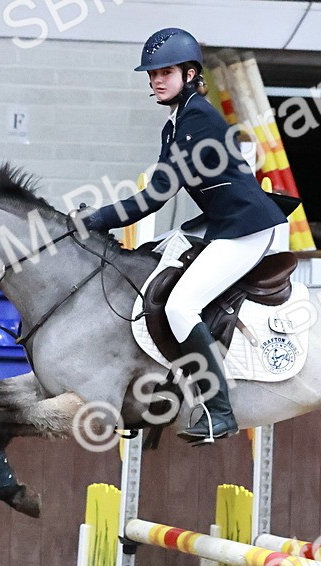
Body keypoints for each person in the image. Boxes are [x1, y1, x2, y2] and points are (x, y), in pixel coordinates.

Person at [78, 28, 287, 445]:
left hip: (247, 229)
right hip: (220, 223)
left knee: (180, 307)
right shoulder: (174, 126)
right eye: (151, 73)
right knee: (151, 260)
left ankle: (219, 411)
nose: (155, 80)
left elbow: (156, 196)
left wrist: (98, 219)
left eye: (165, 72)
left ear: (191, 74)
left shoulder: (198, 118)